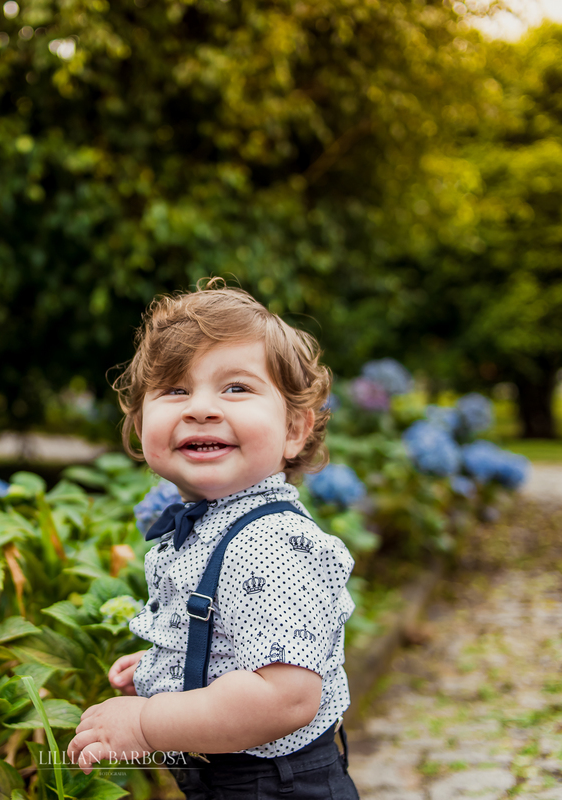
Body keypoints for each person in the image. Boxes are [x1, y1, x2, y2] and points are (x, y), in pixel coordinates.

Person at [65, 282, 359, 800]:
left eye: (236, 388)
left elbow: (286, 697)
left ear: (295, 429)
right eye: (174, 390)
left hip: (275, 785)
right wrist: (175, 665)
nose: (200, 408)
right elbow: (238, 642)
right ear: (138, 428)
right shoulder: (216, 521)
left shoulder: (270, 542)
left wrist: (148, 723)